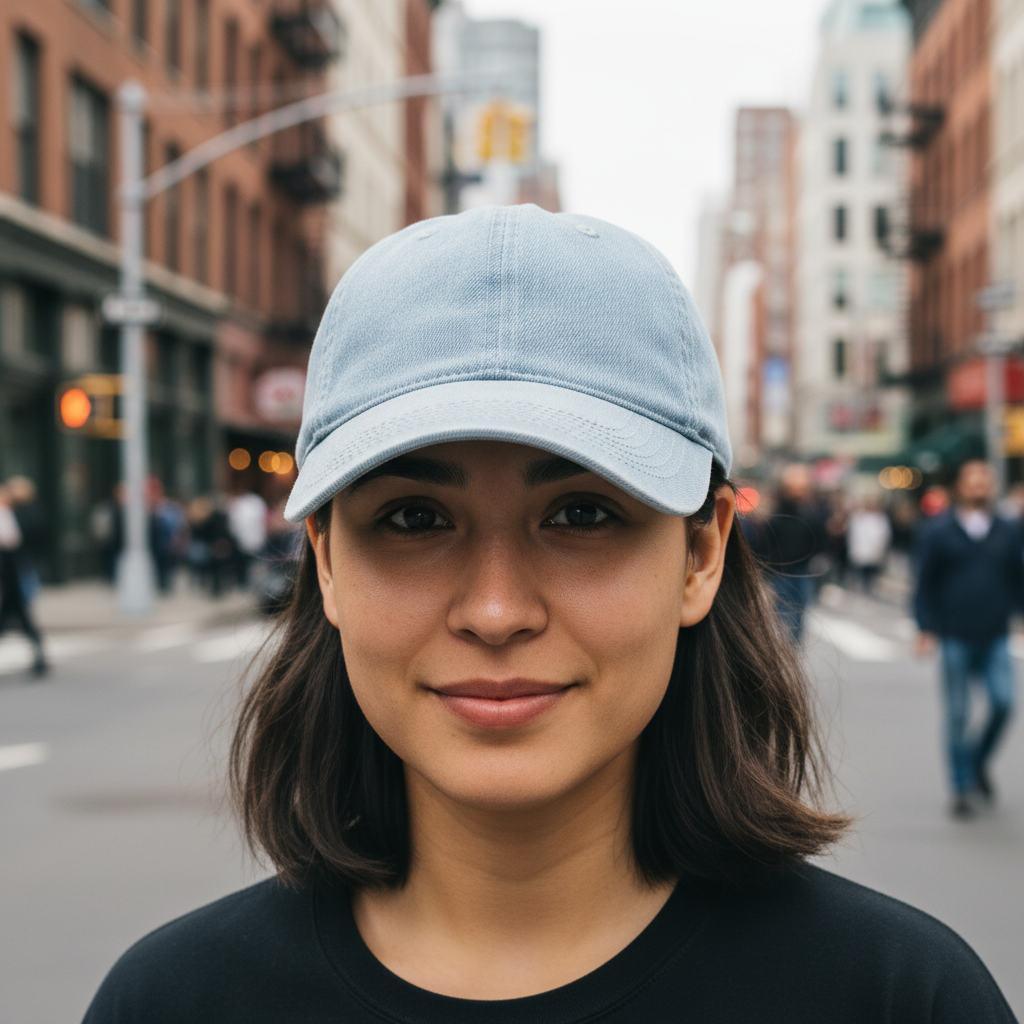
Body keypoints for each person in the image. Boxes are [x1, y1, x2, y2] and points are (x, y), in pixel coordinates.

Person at [83, 207, 1013, 1022]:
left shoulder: (898, 999)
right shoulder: (170, 1003)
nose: (495, 611)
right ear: (324, 560)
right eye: (414, 518)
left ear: (700, 553)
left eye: (582, 514)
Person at [915, 459, 1022, 818]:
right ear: (960, 485)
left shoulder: (1008, 529)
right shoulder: (939, 530)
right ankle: (961, 786)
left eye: (985, 480)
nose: (980, 485)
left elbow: (1017, 577)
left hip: (995, 635)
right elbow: (924, 581)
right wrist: (924, 627)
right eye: (973, 479)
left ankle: (977, 762)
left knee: (1004, 703)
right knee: (958, 714)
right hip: (953, 634)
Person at [749, 463, 828, 642]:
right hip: (781, 571)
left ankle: (793, 643)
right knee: (782, 610)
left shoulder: (811, 514)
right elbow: (766, 545)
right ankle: (783, 643)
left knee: (800, 609)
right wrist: (766, 571)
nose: (798, 492)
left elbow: (819, 540)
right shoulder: (778, 515)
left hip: (802, 570)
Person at [0, 484, 47, 677]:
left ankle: (40, 657)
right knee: (21, 618)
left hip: (12, 576)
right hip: (11, 577)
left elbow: (13, 541)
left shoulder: (12, 515)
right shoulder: (12, 514)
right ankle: (39, 657)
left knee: (17, 617)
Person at [846, 496, 892, 595]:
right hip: (860, 548)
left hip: (873, 549)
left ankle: (867, 585)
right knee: (860, 568)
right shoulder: (858, 517)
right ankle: (860, 585)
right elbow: (853, 533)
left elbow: (884, 535)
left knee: (870, 569)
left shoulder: (880, 518)